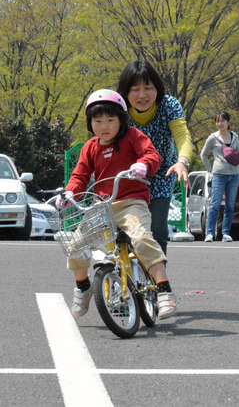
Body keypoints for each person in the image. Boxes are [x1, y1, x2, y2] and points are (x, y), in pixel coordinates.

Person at [59, 89, 177, 319]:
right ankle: (82, 286)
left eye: (111, 120)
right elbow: (80, 176)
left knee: (142, 238)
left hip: (132, 203)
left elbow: (151, 155)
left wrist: (143, 165)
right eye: (98, 120)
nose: (104, 126)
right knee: (75, 246)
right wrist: (69, 193)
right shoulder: (90, 147)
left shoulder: (133, 136)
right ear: (90, 123)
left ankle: (164, 290)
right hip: (101, 206)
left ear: (121, 120)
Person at [116, 61, 193, 255]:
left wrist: (182, 161)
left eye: (148, 88)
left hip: (161, 174)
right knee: (125, 233)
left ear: (157, 89)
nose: (142, 95)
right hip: (128, 176)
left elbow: (182, 135)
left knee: (157, 231)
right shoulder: (118, 110)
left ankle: (157, 280)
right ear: (125, 92)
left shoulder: (169, 105)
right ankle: (126, 278)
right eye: (135, 90)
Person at [200, 111, 239, 242]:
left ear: (228, 122)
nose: (219, 124)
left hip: (234, 175)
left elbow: (235, 156)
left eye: (222, 121)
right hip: (219, 175)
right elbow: (203, 154)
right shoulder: (212, 138)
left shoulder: (235, 136)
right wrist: (210, 170)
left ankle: (225, 233)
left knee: (230, 205)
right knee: (215, 205)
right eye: (217, 121)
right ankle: (210, 233)